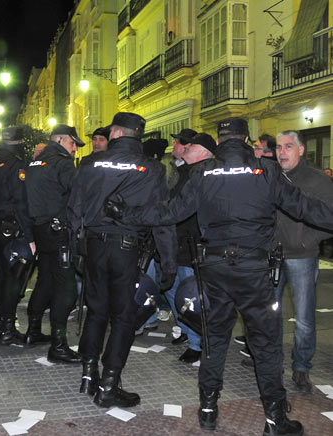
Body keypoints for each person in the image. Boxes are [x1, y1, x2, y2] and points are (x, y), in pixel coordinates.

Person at [110, 117, 333, 435]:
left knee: (215, 340)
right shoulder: (266, 171)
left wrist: (127, 214)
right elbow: (305, 208)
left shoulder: (202, 172)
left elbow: (171, 211)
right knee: (266, 345)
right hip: (254, 271)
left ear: (221, 139)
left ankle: (208, 409)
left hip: (213, 269)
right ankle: (274, 419)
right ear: (245, 140)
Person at [67, 112, 177, 408]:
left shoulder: (89, 163)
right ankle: (109, 385)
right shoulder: (152, 168)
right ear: (137, 135)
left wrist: (74, 250)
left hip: (93, 246)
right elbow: (162, 219)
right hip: (127, 249)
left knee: (96, 311)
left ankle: (89, 374)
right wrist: (169, 262)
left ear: (115, 133)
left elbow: (73, 210)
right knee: (124, 317)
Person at [272, 130, 333, 392]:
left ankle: (301, 367)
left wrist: (308, 241)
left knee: (305, 318)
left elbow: (329, 219)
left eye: (287, 146)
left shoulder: (318, 181)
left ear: (300, 150)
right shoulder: (270, 177)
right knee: (269, 313)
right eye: (278, 147)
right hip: (272, 256)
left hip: (303, 257)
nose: (281, 152)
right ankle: (270, 362)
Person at [25, 124, 84, 363]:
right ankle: (58, 344)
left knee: (46, 280)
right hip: (59, 232)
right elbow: (77, 193)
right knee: (67, 289)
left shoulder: (36, 162)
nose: (74, 150)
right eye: (72, 144)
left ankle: (33, 330)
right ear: (60, 140)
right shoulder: (62, 162)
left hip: (41, 230)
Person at [162, 132, 216, 364]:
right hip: (177, 242)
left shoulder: (207, 173)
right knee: (172, 289)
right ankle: (189, 331)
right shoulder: (183, 171)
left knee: (190, 295)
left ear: (202, 151)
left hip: (194, 245)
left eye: (188, 144)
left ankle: (197, 342)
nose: (182, 147)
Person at [0, 126, 35, 344]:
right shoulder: (17, 166)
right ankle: (7, 329)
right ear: (19, 143)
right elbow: (21, 203)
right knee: (12, 280)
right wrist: (30, 237)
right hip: (11, 229)